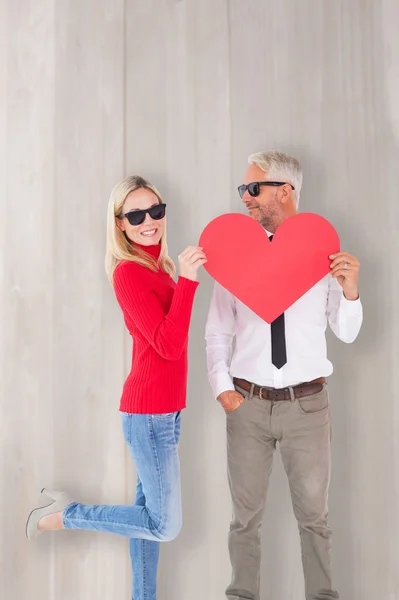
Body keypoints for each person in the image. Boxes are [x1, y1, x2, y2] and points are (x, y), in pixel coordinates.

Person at [26, 175, 206, 600]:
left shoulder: (156, 268)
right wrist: (189, 281)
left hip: (166, 411)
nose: (149, 222)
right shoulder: (128, 273)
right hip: (148, 414)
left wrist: (179, 278)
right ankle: (66, 514)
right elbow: (168, 343)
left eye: (156, 211)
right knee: (165, 524)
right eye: (136, 215)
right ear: (120, 223)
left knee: (148, 519)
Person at [205, 151, 363, 600]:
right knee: (244, 519)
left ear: (284, 191)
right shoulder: (233, 257)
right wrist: (223, 391)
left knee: (315, 518)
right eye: (243, 190)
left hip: (307, 407)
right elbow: (217, 332)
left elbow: (347, 333)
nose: (245, 199)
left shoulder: (322, 252)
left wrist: (350, 291)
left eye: (252, 190)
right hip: (247, 404)